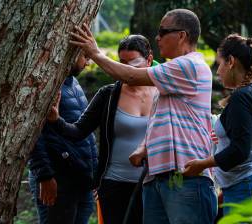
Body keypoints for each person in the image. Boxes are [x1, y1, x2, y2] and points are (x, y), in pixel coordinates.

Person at [70, 9, 217, 224]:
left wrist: (95, 53)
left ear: (182, 35)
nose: (157, 37)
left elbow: (129, 75)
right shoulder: (169, 78)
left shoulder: (189, 65)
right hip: (159, 177)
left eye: (163, 31)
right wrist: (145, 147)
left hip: (185, 178)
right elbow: (168, 119)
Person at [47, 34, 157, 224]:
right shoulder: (108, 94)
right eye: (121, 62)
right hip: (114, 183)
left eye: (133, 63)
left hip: (153, 185)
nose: (125, 69)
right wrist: (56, 120)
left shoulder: (164, 94)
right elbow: (78, 131)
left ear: (149, 59)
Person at [182, 34, 252, 215]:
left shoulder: (242, 96)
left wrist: (202, 164)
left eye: (219, 63)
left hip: (249, 185)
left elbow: (240, 150)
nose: (218, 71)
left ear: (231, 61)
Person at [28, 52, 97, 224]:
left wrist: (94, 175)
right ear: (72, 53)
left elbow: (85, 134)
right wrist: (44, 175)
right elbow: (34, 135)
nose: (88, 63)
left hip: (82, 181)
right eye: (85, 57)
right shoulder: (47, 85)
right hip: (58, 181)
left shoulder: (74, 83)